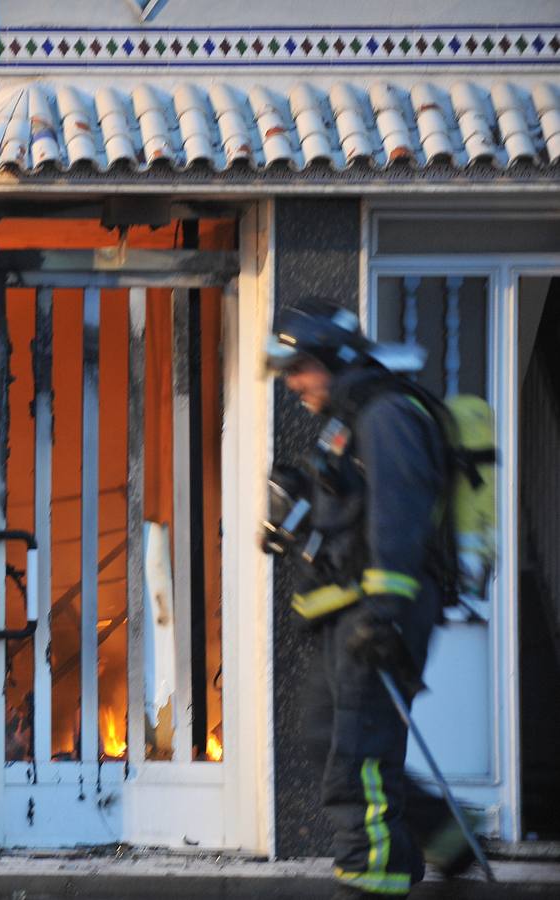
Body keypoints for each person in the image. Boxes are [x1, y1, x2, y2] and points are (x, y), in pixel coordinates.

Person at [264, 299, 476, 897]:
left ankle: (370, 881)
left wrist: (384, 614)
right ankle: (449, 840)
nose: (291, 381)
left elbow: (399, 519)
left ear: (335, 357)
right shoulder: (349, 417)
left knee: (358, 758)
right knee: (330, 736)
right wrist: (294, 500)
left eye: (299, 366)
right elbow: (345, 504)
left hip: (377, 615)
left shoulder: (386, 417)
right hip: (347, 613)